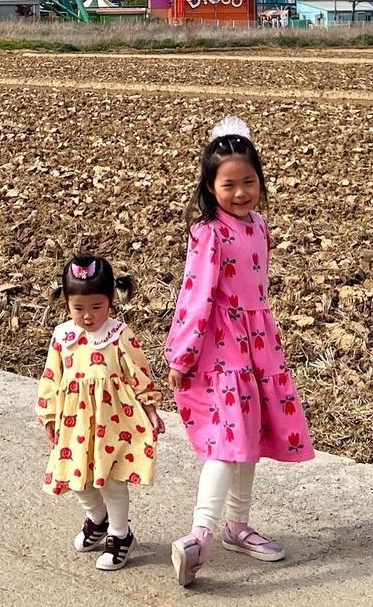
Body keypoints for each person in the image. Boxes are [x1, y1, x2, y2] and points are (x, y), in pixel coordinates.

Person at [165, 117, 314, 588]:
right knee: (227, 443)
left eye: (249, 181)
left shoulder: (259, 227)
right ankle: (200, 535)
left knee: (249, 434)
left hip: (257, 347)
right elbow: (195, 296)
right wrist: (181, 355)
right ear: (210, 187)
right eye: (228, 184)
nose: (240, 192)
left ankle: (237, 526)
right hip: (221, 349)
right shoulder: (208, 233)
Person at [36, 254, 165, 571]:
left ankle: (121, 535)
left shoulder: (119, 335)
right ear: (66, 303)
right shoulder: (63, 337)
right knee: (77, 478)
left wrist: (150, 409)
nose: (88, 316)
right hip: (74, 421)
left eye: (96, 307)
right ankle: (98, 519)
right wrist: (50, 416)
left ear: (110, 300)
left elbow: (139, 372)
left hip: (113, 421)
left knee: (110, 480)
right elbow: (51, 378)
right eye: (79, 308)